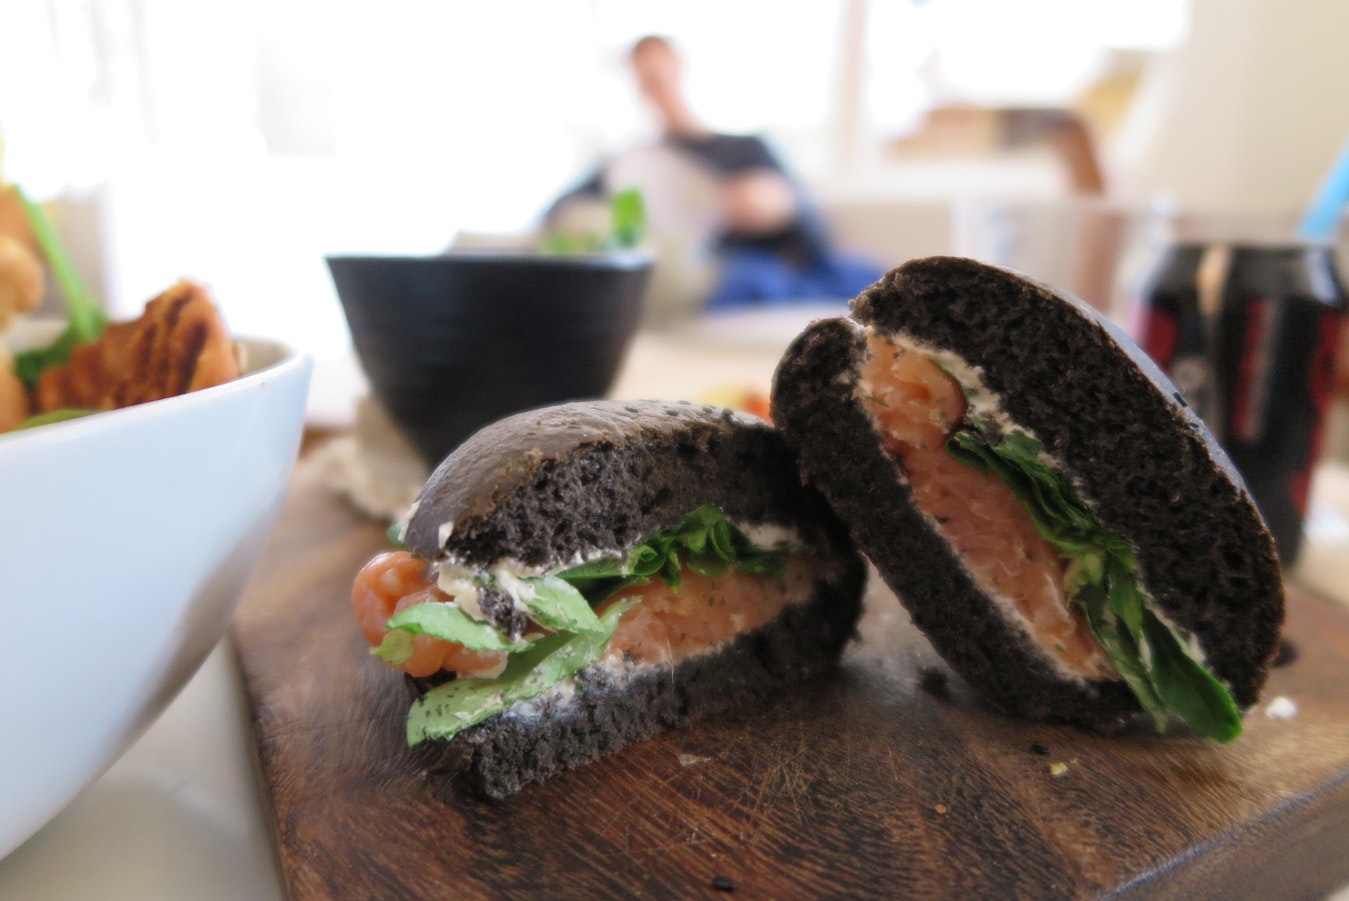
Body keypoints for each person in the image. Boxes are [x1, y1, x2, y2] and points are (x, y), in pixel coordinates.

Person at [545, 35, 882, 320]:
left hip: (780, 266)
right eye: (645, 81)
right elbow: (561, 209)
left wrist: (782, 205)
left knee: (860, 272)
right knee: (746, 278)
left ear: (679, 70)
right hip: (717, 274)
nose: (656, 89)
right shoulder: (630, 166)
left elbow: (814, 232)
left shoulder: (747, 148)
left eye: (660, 75)